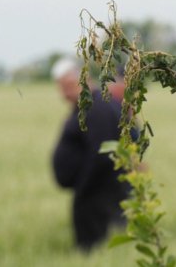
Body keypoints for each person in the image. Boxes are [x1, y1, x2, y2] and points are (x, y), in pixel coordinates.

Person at [51, 58, 131, 251]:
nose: (64, 94)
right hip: (95, 195)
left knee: (94, 249)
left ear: (83, 79)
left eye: (68, 86)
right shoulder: (92, 106)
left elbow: (101, 154)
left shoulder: (97, 108)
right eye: (62, 88)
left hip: (97, 197)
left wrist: (83, 188)